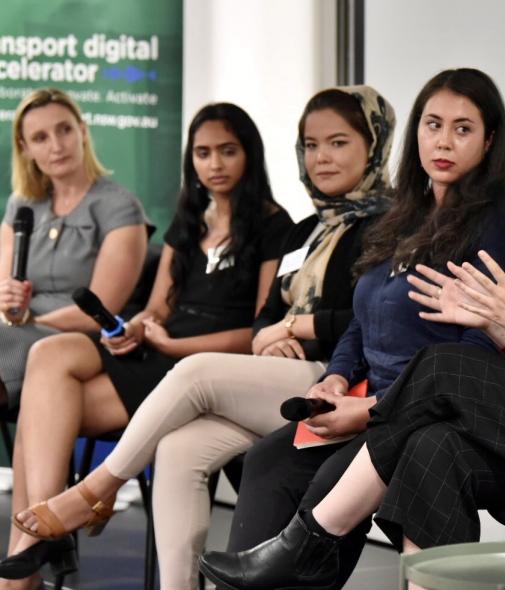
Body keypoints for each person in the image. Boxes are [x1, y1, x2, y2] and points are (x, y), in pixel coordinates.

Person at [198, 48, 505, 590]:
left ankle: (310, 538)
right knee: (431, 448)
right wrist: (499, 326)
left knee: (442, 366)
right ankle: (331, 553)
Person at [5, 85, 396, 589]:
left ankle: (93, 492)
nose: (321, 157)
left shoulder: (389, 228)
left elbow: (371, 323)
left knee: (190, 369)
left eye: (338, 143)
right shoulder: (308, 230)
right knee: (177, 448)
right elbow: (264, 319)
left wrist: (290, 329)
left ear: (375, 144)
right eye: (311, 145)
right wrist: (265, 338)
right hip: (274, 377)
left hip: (341, 385)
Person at [193, 67, 505, 590]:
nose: (443, 142)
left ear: (490, 139)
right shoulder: (403, 215)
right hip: (373, 402)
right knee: (271, 456)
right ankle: (279, 561)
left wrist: (369, 413)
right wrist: (336, 379)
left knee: (329, 475)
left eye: (463, 128)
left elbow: (485, 349)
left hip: (437, 415)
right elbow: (362, 320)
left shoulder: (504, 222)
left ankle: (303, 548)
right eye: (432, 125)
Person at [0, 87, 149, 408]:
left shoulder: (119, 207)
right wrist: (9, 306)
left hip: (81, 339)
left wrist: (27, 319)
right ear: (25, 148)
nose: (56, 146)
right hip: (15, 331)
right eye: (40, 138)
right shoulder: (21, 204)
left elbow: (100, 311)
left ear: (82, 131)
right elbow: (4, 293)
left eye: (64, 130)